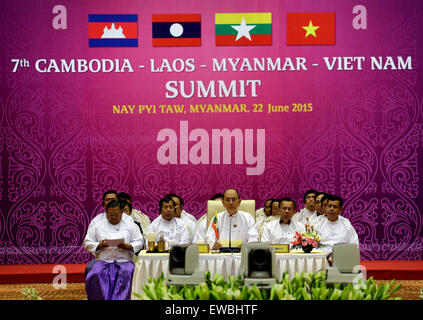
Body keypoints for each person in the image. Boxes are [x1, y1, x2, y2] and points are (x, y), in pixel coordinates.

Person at [84, 200, 144, 300]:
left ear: (121, 212)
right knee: (94, 274)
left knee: (128, 272)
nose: (113, 217)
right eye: (110, 214)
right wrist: (99, 245)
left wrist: (129, 246)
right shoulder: (98, 225)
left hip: (124, 261)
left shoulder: (130, 224)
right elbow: (87, 242)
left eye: (116, 214)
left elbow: (140, 241)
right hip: (104, 261)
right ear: (106, 212)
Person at [314, 195, 359, 265]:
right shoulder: (317, 223)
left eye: (335, 207)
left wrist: (336, 256)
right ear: (325, 208)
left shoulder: (346, 224)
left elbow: (354, 244)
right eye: (329, 206)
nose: (332, 209)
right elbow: (311, 246)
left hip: (342, 259)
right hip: (320, 260)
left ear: (340, 210)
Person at [84, 189, 119, 278]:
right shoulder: (96, 221)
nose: (111, 201)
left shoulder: (127, 219)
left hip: (122, 258)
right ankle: (96, 292)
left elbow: (137, 240)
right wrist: (99, 246)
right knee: (90, 268)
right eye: (108, 200)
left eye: (113, 199)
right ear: (103, 204)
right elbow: (87, 242)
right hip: (102, 258)